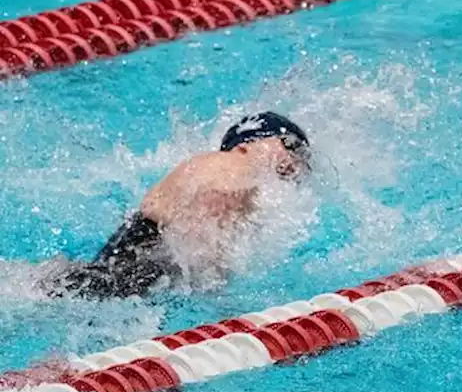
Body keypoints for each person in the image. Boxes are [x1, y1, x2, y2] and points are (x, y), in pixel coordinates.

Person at [41, 112, 312, 299]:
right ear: (247, 144)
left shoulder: (203, 165)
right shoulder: (235, 165)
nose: (293, 163)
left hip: (133, 252)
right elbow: (203, 240)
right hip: (143, 262)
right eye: (289, 146)